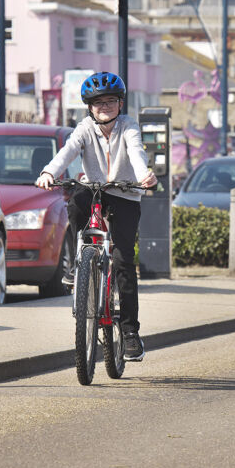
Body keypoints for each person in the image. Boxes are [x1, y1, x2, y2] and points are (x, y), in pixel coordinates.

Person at [36, 71, 157, 362]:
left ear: (120, 102)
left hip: (126, 194)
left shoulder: (129, 127)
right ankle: (80, 263)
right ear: (89, 106)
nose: (105, 106)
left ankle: (129, 334)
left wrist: (144, 176)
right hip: (94, 191)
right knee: (77, 196)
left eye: (111, 101)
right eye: (98, 102)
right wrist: (49, 172)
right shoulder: (84, 128)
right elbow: (67, 151)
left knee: (124, 260)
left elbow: (136, 152)